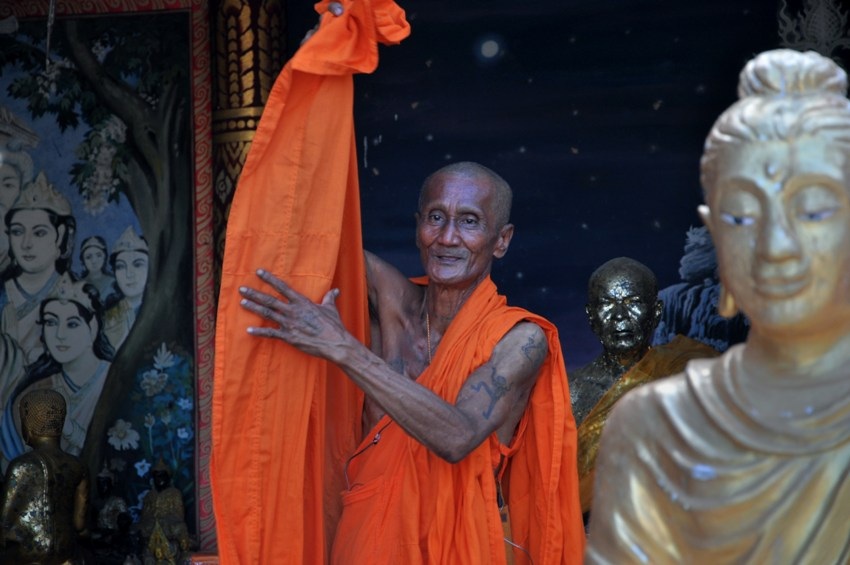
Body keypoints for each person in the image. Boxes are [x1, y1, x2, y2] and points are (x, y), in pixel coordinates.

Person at [239, 161, 584, 563]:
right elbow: (300, 233)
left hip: (457, 552)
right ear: (417, 226)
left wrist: (344, 349)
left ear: (501, 240)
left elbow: (457, 436)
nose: (447, 237)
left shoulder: (520, 340)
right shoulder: (388, 307)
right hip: (362, 547)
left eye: (469, 221)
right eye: (436, 217)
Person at [586, 48, 850, 562]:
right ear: (714, 237)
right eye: (742, 216)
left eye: (814, 210)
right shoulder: (654, 423)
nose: (776, 245)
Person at [568, 257, 717, 516]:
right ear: (591, 316)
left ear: (656, 312)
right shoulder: (570, 391)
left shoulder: (682, 375)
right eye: (607, 304)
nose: (620, 316)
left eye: (633, 303)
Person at [1, 273, 115, 464]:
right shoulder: (34, 391)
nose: (59, 335)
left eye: (72, 324)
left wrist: (71, 431)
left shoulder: (114, 380)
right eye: (51, 322)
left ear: (93, 327)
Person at [0, 388, 89, 564]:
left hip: (27, 554)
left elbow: (5, 521)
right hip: (65, 551)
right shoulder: (78, 466)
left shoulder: (22, 465)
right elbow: (79, 524)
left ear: (28, 426)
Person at [0, 171, 77, 363]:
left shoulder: (76, 294)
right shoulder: (2, 291)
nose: (26, 244)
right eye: (17, 232)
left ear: (60, 235)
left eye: (39, 233)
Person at [138, 458, 191, 565]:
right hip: (151, 525)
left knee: (181, 527)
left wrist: (164, 520)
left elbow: (179, 514)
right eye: (157, 476)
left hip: (169, 524)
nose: (159, 479)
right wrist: (151, 521)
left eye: (162, 476)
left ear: (168, 477)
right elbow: (145, 515)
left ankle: (184, 552)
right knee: (138, 528)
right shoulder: (149, 495)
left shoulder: (175, 493)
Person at [104, 226, 149, 351]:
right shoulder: (108, 317)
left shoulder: (161, 310)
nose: (129, 274)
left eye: (138, 264)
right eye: (120, 267)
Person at [79, 235, 117, 302]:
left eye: (98, 255)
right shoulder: (79, 285)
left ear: (105, 257)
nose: (94, 261)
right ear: (83, 260)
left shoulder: (113, 283)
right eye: (88, 257)